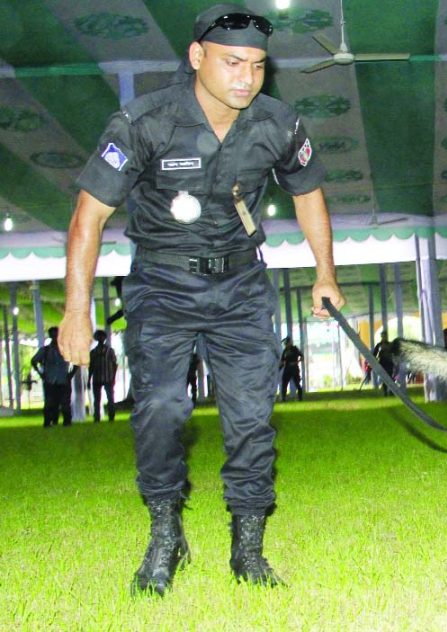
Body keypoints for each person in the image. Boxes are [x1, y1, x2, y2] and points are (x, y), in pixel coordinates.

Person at [58, 4, 345, 596]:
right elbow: (89, 216)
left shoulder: (279, 124)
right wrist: (76, 310)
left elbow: (309, 192)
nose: (246, 77)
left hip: (240, 286)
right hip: (162, 285)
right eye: (233, 62)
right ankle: (166, 531)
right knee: (161, 408)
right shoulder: (145, 122)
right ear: (197, 58)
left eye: (258, 66)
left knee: (251, 418)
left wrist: (326, 274)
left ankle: (248, 548)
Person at [31, 327, 77, 427]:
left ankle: (67, 421)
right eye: (53, 335)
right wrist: (41, 373)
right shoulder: (46, 350)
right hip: (50, 380)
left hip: (63, 379)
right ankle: (48, 421)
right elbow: (33, 361)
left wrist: (71, 374)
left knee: (65, 403)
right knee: (49, 403)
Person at [88, 329, 118, 422]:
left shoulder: (110, 351)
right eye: (99, 337)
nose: (100, 338)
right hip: (97, 378)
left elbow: (114, 365)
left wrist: (113, 377)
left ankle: (111, 416)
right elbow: (91, 366)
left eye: (102, 336)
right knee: (97, 399)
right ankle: (97, 417)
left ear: (104, 338)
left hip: (108, 377)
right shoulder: (93, 352)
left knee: (110, 398)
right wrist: (89, 379)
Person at [279, 337, 303, 401]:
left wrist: (296, 362)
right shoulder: (285, 351)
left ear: (290, 343)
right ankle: (283, 398)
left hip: (294, 369)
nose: (286, 345)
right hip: (287, 369)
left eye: (287, 343)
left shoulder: (295, 349)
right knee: (284, 384)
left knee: (297, 383)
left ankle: (300, 398)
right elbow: (282, 361)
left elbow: (302, 357)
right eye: (285, 344)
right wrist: (278, 368)